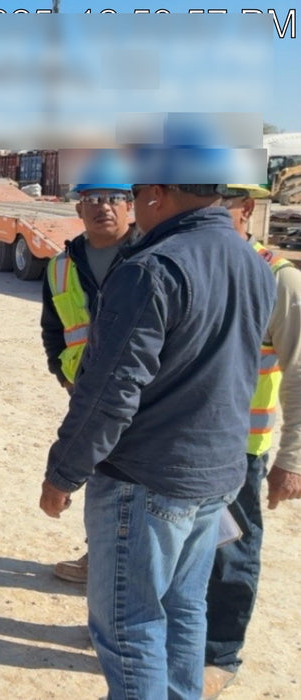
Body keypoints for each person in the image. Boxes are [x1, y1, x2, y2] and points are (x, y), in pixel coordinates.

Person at [38, 178, 276, 698]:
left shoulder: (151, 269)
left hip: (146, 480)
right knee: (183, 607)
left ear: (155, 194)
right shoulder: (253, 263)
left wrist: (63, 473)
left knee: (130, 625)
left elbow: (110, 391)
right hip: (214, 477)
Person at [202, 183, 301, 698]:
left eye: (219, 205)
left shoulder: (280, 280)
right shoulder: (191, 262)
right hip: (182, 445)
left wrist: (293, 459)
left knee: (232, 554)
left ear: (245, 209)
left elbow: (300, 372)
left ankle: (218, 654)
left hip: (242, 450)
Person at [41, 173, 136, 584]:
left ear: (131, 206)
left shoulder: (149, 259)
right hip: (86, 392)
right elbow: (53, 328)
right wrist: (62, 374)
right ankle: (99, 557)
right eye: (93, 198)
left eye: (116, 197)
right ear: (78, 208)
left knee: (135, 484)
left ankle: (121, 567)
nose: (104, 207)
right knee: (98, 472)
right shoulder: (61, 266)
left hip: (140, 393)